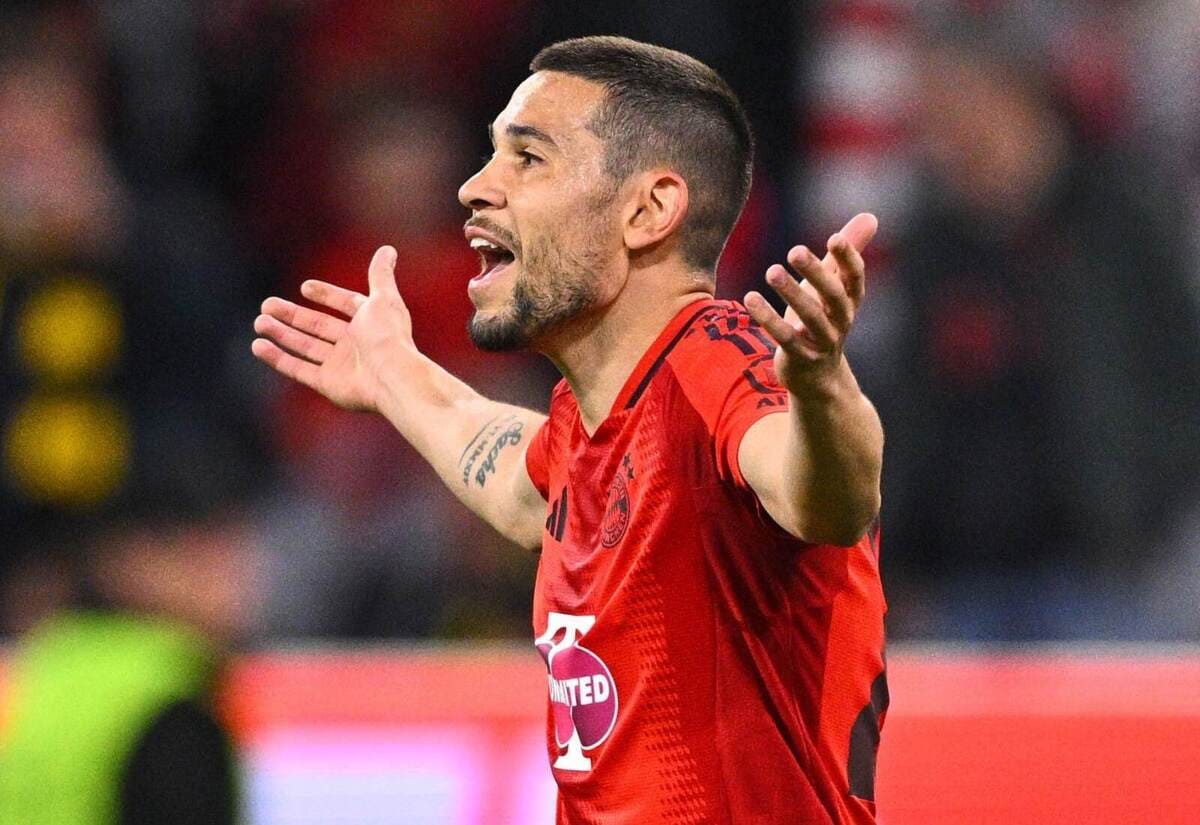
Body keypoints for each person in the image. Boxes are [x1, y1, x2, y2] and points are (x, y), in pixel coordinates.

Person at [253, 35, 887, 824]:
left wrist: (821, 387)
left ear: (647, 211)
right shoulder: (593, 423)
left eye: (528, 158)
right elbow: (521, 488)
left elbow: (823, 496)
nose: (475, 188)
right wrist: (394, 374)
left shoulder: (717, 363)